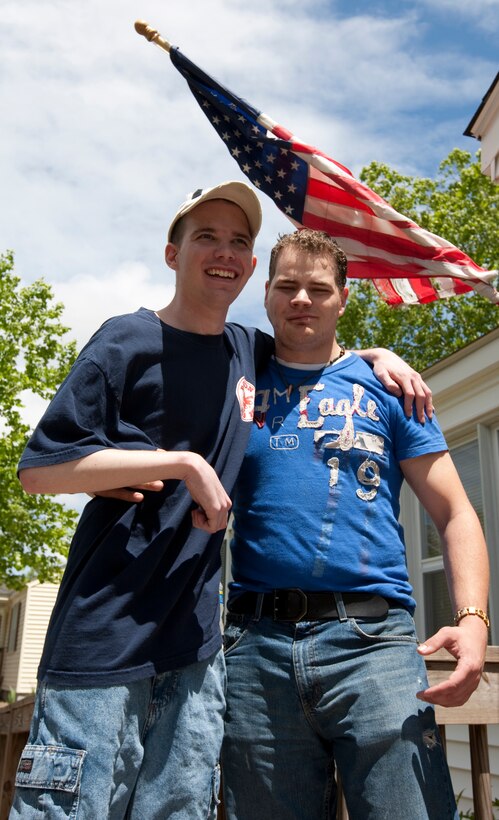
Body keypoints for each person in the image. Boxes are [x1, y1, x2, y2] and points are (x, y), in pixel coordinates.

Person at [14, 182, 431, 820]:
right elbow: (40, 471)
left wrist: (379, 356)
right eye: (206, 235)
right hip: (101, 639)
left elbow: (315, 347)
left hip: (200, 651)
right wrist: (183, 466)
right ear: (171, 252)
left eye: (240, 241)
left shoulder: (247, 351)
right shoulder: (125, 341)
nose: (225, 251)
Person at [221, 229, 489, 820]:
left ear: (343, 298)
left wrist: (471, 620)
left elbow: (455, 511)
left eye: (319, 289)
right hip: (254, 651)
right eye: (287, 286)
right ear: (265, 294)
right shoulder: (235, 382)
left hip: (374, 647)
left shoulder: (390, 389)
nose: (301, 300)